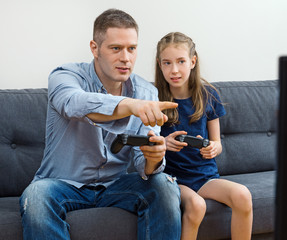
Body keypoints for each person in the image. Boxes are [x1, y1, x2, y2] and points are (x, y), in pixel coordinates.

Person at [19, 9, 182, 240]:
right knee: (35, 196)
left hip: (116, 185)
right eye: (116, 48)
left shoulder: (147, 92)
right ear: (95, 48)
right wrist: (129, 105)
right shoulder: (65, 76)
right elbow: (74, 104)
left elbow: (142, 166)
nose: (126, 58)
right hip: (63, 184)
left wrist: (153, 157)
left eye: (132, 49)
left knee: (164, 185)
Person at [155, 32, 253, 240]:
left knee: (243, 195)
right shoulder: (154, 98)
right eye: (167, 63)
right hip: (172, 179)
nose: (174, 70)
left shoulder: (209, 95)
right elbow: (148, 143)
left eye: (181, 61)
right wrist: (165, 143)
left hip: (205, 176)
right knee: (197, 206)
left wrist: (213, 147)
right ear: (159, 64)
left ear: (192, 61)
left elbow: (217, 142)